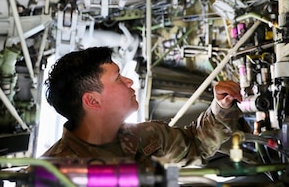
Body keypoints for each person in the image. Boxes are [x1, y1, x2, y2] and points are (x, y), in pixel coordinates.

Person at [42, 46, 248, 169]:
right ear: (93, 101)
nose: (130, 81)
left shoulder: (145, 136)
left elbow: (195, 144)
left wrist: (221, 106)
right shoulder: (49, 176)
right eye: (118, 78)